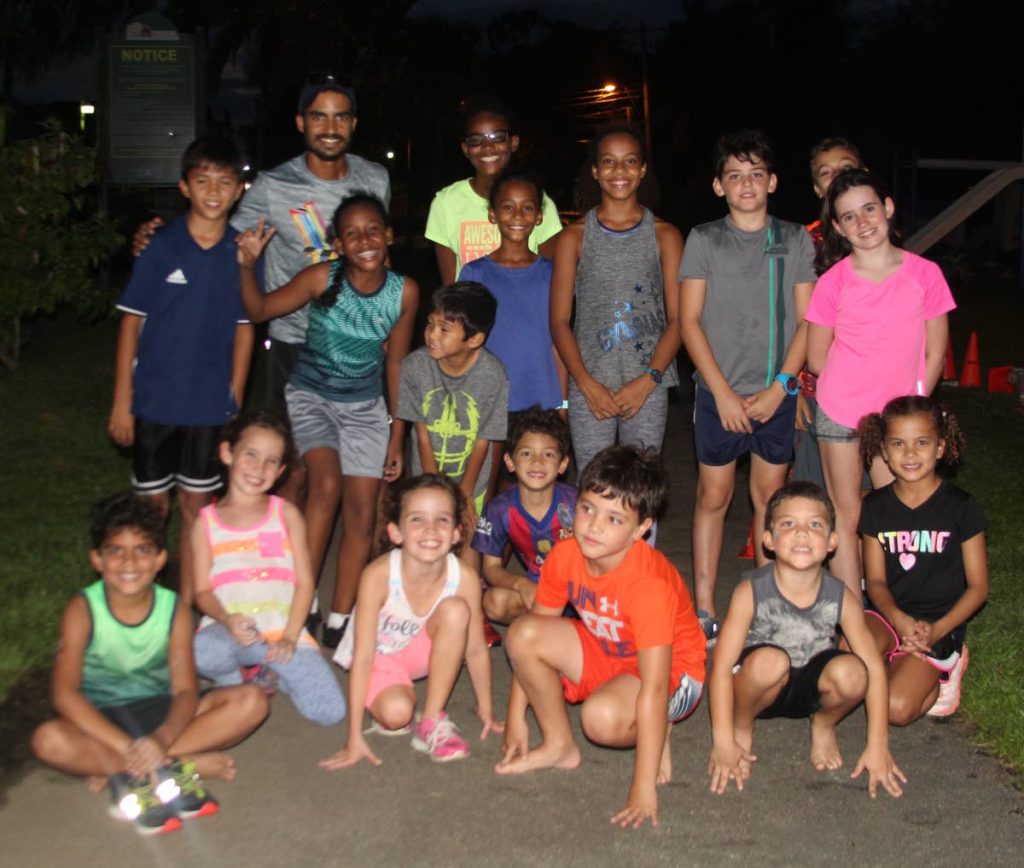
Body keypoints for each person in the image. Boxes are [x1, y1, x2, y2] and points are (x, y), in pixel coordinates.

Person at [134, 75, 391, 425]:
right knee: (290, 456)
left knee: (358, 452)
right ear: (301, 122)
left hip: (360, 337)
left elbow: (381, 257)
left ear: (353, 123)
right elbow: (222, 233)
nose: (330, 127)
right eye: (318, 116)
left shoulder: (376, 179)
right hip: (296, 340)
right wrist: (164, 236)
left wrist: (387, 322)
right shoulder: (274, 186)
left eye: (340, 117)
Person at [237, 194, 418, 648]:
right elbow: (259, 310)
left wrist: (398, 435)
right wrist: (247, 264)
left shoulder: (405, 292)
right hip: (311, 396)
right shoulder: (322, 277)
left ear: (389, 235)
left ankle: (339, 617)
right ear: (338, 244)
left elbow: (395, 366)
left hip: (365, 407)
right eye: (352, 234)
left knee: (362, 510)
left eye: (373, 230)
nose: (365, 241)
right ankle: (302, 604)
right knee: (325, 486)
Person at [31, 493, 268, 836]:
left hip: (162, 718)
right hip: (103, 726)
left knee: (252, 701)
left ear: (160, 558)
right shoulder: (82, 609)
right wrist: (129, 747)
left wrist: (160, 739)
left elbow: (186, 689)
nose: (129, 562)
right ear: (97, 559)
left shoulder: (174, 610)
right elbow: (66, 695)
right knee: (47, 740)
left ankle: (132, 769)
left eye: (142, 550)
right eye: (116, 550)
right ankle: (181, 766)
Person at [496, 446, 706, 830]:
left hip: (674, 672)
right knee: (524, 633)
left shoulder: (648, 586)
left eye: (614, 519)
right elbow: (535, 632)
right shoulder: (565, 555)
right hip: (611, 649)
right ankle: (559, 745)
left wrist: (643, 788)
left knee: (601, 719)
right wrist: (515, 718)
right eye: (588, 508)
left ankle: (660, 731)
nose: (593, 526)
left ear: (642, 529)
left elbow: (656, 687)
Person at [679, 130, 817, 642]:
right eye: (734, 176)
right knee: (713, 495)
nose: (746, 184)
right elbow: (689, 321)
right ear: (718, 186)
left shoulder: (796, 238)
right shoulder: (704, 240)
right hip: (719, 396)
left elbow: (808, 320)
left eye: (756, 174)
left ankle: (766, 607)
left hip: (775, 396)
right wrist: (720, 393)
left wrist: (782, 386)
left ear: (773, 181)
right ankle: (703, 608)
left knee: (769, 497)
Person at [108, 136, 254, 606]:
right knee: (153, 505)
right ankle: (145, 600)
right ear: (184, 187)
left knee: (198, 506)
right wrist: (122, 403)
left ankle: (193, 602)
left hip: (208, 405)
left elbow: (245, 330)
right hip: (154, 400)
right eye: (203, 180)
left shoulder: (242, 254)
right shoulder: (160, 245)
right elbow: (131, 323)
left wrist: (234, 398)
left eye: (225, 182)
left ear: (238, 191)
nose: (214, 191)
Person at [806, 169, 955, 596]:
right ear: (836, 226)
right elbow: (817, 358)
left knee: (896, 517)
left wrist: (914, 412)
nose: (863, 222)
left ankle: (897, 605)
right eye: (848, 216)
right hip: (840, 413)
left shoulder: (925, 274)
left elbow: (935, 354)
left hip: (898, 418)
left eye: (869, 209)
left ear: (888, 208)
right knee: (847, 515)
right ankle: (855, 617)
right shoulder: (832, 282)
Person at [707, 481, 905, 799]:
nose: (802, 533)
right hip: (758, 683)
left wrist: (878, 746)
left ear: (832, 541)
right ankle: (743, 726)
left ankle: (823, 724)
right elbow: (720, 669)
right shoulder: (751, 591)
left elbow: (875, 670)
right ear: (768, 540)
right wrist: (722, 740)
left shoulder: (842, 596)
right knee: (770, 662)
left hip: (811, 683)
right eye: (788, 524)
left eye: (815, 524)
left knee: (855, 672)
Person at [320, 475, 502, 767]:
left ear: (456, 533)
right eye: (417, 519)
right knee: (396, 714)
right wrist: (353, 736)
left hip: (424, 650)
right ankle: (391, 697)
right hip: (380, 657)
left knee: (456, 611)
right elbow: (363, 655)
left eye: (442, 520)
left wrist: (487, 709)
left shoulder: (464, 577)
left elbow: (476, 649)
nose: (430, 529)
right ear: (395, 532)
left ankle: (430, 720)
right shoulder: (377, 575)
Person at [192, 411, 346, 725]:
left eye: (271, 461)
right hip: (231, 631)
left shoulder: (286, 514)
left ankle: (269, 669)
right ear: (227, 453)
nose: (259, 469)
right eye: (250, 455)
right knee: (200, 652)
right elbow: (202, 592)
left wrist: (290, 636)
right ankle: (234, 684)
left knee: (329, 712)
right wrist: (226, 618)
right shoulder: (205, 523)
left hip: (279, 632)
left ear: (281, 472)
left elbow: (305, 582)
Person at [550, 124, 683, 480]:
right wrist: (585, 383)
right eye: (608, 161)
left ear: (642, 170)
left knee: (642, 484)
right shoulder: (573, 238)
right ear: (594, 170)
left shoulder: (666, 235)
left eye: (629, 162)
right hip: (590, 385)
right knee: (593, 484)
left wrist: (649, 379)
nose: (619, 171)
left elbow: (680, 319)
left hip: (647, 385)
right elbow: (559, 321)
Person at [858, 396, 987, 722]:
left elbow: (977, 588)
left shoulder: (961, 507)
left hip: (940, 620)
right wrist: (899, 621)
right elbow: (874, 582)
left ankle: (946, 668)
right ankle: (896, 658)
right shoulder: (875, 507)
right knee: (851, 652)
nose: (910, 453)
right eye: (899, 443)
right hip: (887, 614)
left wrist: (937, 629)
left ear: (940, 447)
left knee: (894, 710)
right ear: (884, 452)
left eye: (922, 443)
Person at [397, 282, 510, 566]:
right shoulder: (415, 366)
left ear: (474, 339)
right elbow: (421, 433)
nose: (432, 335)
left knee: (467, 555)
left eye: (444, 329)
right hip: (427, 471)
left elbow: (484, 438)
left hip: (473, 480)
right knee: (426, 549)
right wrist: (435, 488)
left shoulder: (492, 374)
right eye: (430, 324)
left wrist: (464, 493)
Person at [460, 169, 567, 417]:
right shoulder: (474, 273)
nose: (517, 215)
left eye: (527, 208)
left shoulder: (553, 274)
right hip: (488, 402)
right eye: (508, 207)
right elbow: (463, 343)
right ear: (492, 214)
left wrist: (563, 403)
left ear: (539, 216)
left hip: (544, 400)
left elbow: (560, 342)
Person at [792, 137, 866, 488]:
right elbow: (791, 322)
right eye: (826, 172)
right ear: (817, 188)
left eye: (846, 168)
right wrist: (790, 391)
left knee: (872, 494)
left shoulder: (880, 239)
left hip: (875, 391)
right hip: (816, 393)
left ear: (863, 174)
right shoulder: (803, 244)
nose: (836, 177)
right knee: (818, 494)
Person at [425, 96, 561, 285]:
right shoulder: (445, 202)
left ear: (513, 143)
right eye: (476, 140)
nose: (487, 147)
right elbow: (451, 287)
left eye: (498, 137)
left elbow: (549, 279)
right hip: (471, 310)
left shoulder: (537, 201)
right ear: (465, 149)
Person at [471, 408, 576, 624]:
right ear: (509, 462)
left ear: (562, 464)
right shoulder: (499, 509)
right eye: (526, 453)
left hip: (581, 590)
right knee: (494, 601)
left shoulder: (578, 504)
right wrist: (521, 585)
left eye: (548, 454)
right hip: (537, 589)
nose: (537, 462)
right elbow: (490, 568)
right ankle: (551, 629)